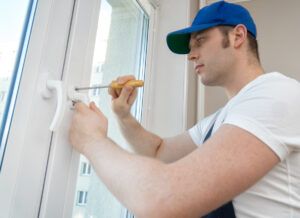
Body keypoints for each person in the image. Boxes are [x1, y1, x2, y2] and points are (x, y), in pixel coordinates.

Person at [69, 1, 300, 217]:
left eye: (199, 41)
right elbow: (159, 152)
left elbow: (162, 198)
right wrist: (123, 115)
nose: (190, 56)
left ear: (237, 36)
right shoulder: (222, 118)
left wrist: (91, 140)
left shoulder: (275, 94)